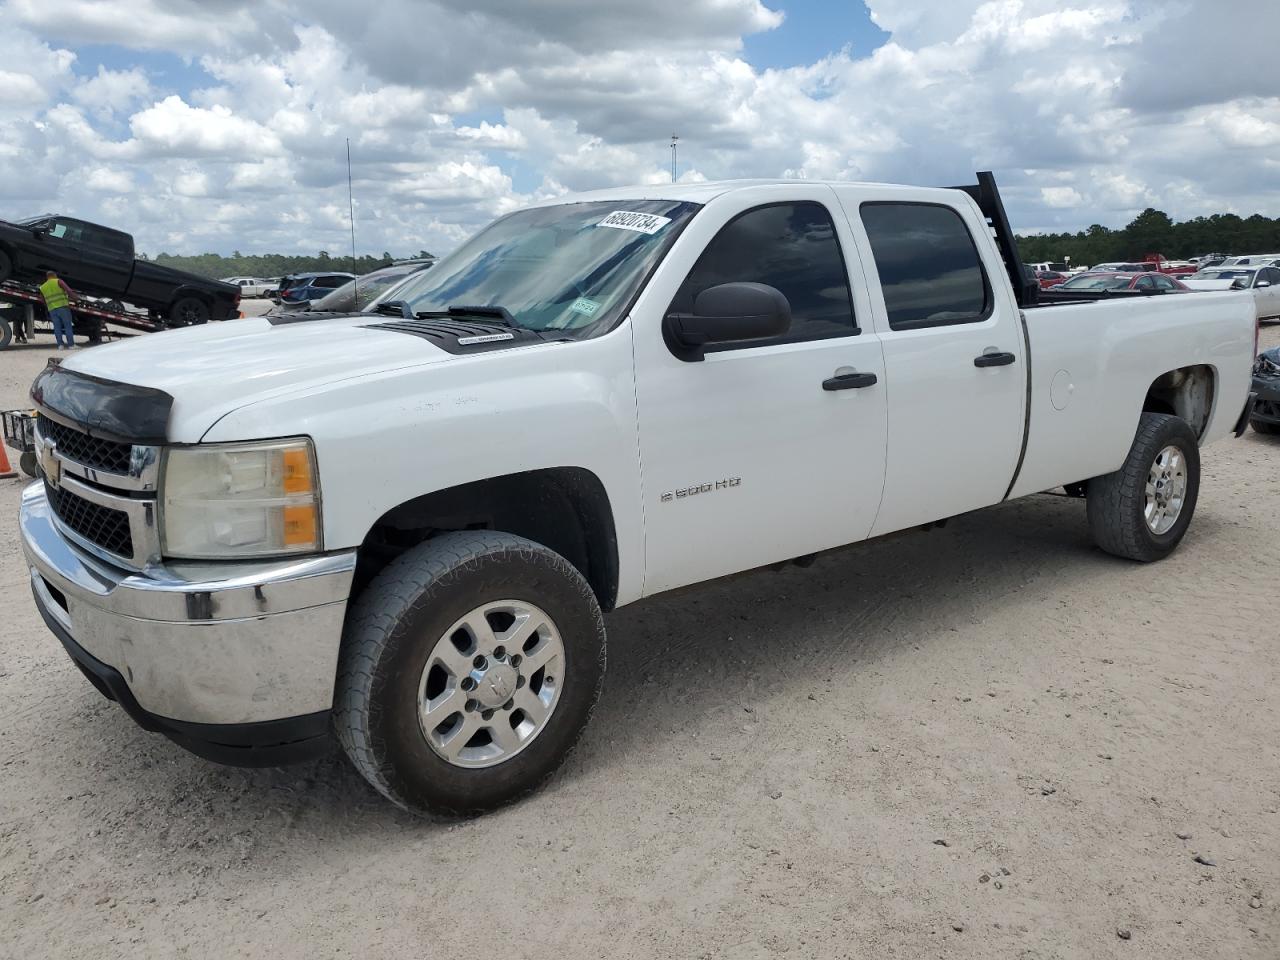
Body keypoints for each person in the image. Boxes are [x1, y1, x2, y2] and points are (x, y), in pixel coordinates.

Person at [39, 271, 77, 349]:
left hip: (52, 309)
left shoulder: (42, 287)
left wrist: (49, 306)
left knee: (57, 327)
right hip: (63, 307)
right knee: (67, 326)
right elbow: (69, 291)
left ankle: (60, 345)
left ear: (47, 277)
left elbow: (43, 300)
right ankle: (71, 345)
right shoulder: (58, 281)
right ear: (54, 275)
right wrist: (76, 299)